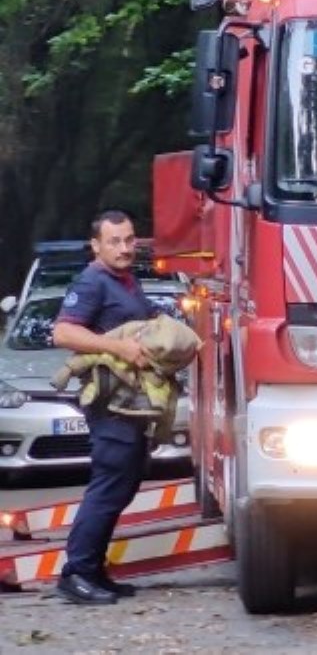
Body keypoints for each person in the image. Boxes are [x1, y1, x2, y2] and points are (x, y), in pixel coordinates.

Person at [49, 210, 166, 606]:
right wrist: (118, 348)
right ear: (96, 246)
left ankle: (95, 570)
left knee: (125, 483)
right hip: (109, 403)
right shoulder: (92, 281)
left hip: (130, 403)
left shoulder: (127, 282)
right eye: (114, 241)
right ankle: (76, 573)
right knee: (108, 485)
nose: (124, 248)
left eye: (130, 240)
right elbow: (64, 331)